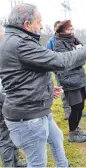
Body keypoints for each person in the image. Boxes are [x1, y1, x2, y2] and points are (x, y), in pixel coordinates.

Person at [0, 3, 86, 167]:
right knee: (38, 163)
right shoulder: (20, 44)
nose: (41, 26)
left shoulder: (17, 40)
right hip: (28, 116)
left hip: (37, 110)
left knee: (57, 139)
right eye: (39, 21)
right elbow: (59, 61)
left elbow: (26, 74)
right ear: (27, 24)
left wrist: (46, 89)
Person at [54, 20, 86, 143]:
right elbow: (67, 62)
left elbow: (83, 56)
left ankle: (76, 128)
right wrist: (80, 59)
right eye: (69, 29)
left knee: (81, 106)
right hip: (70, 80)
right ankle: (72, 133)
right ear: (62, 31)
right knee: (75, 107)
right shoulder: (59, 44)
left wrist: (81, 57)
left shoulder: (74, 41)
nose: (72, 31)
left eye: (72, 29)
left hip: (79, 78)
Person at [0, 26, 27, 167]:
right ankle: (9, 165)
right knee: (4, 135)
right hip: (2, 96)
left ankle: (15, 162)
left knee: (11, 132)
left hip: (6, 95)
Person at [46, 20, 71, 120]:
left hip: (70, 69)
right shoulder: (51, 41)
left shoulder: (68, 38)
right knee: (63, 90)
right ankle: (67, 112)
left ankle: (76, 110)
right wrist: (55, 70)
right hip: (59, 71)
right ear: (55, 29)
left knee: (74, 90)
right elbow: (48, 56)